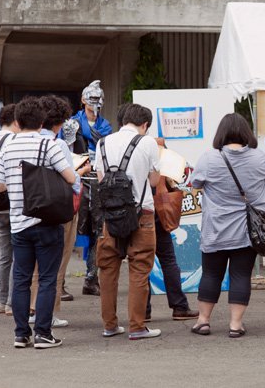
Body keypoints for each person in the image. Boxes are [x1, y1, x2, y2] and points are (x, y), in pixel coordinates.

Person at [0, 97, 76, 349]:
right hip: (46, 220)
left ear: (17, 121)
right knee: (48, 279)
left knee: (21, 279)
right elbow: (70, 177)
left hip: (18, 224)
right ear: (41, 122)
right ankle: (42, 334)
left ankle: (20, 334)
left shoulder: (7, 147)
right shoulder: (48, 145)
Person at [190, 113, 265, 338]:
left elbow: (195, 182)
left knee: (211, 275)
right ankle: (235, 324)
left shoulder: (209, 158)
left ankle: (203, 321)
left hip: (216, 229)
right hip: (248, 231)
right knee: (241, 275)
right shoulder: (258, 157)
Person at [115, 104, 199, 322]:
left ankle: (145, 311)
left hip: (128, 210)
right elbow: (171, 177)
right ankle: (179, 306)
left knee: (139, 262)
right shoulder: (155, 145)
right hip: (155, 209)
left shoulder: (113, 144)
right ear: (144, 125)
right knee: (168, 259)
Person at [95, 103, 161, 340]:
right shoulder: (148, 142)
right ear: (144, 125)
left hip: (110, 215)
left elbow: (102, 180)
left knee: (108, 269)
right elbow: (153, 181)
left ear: (123, 121)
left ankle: (110, 325)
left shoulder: (102, 142)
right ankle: (137, 327)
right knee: (140, 268)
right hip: (141, 213)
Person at [28, 95, 91, 328]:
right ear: (60, 122)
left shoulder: (26, 141)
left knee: (33, 264)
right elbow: (72, 182)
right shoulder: (59, 145)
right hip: (58, 211)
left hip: (31, 210)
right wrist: (82, 171)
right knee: (56, 263)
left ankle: (33, 308)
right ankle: (50, 312)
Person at [61, 80, 112, 296]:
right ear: (82, 100)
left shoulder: (106, 126)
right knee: (68, 232)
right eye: (91, 98)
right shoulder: (71, 124)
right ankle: (59, 282)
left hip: (98, 181)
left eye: (99, 97)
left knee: (98, 231)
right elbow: (64, 151)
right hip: (77, 180)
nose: (96, 102)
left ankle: (91, 279)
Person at [0, 103, 19, 316]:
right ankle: (11, 302)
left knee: (3, 254)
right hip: (14, 202)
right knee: (19, 254)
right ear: (16, 121)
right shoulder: (13, 141)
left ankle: (1, 301)